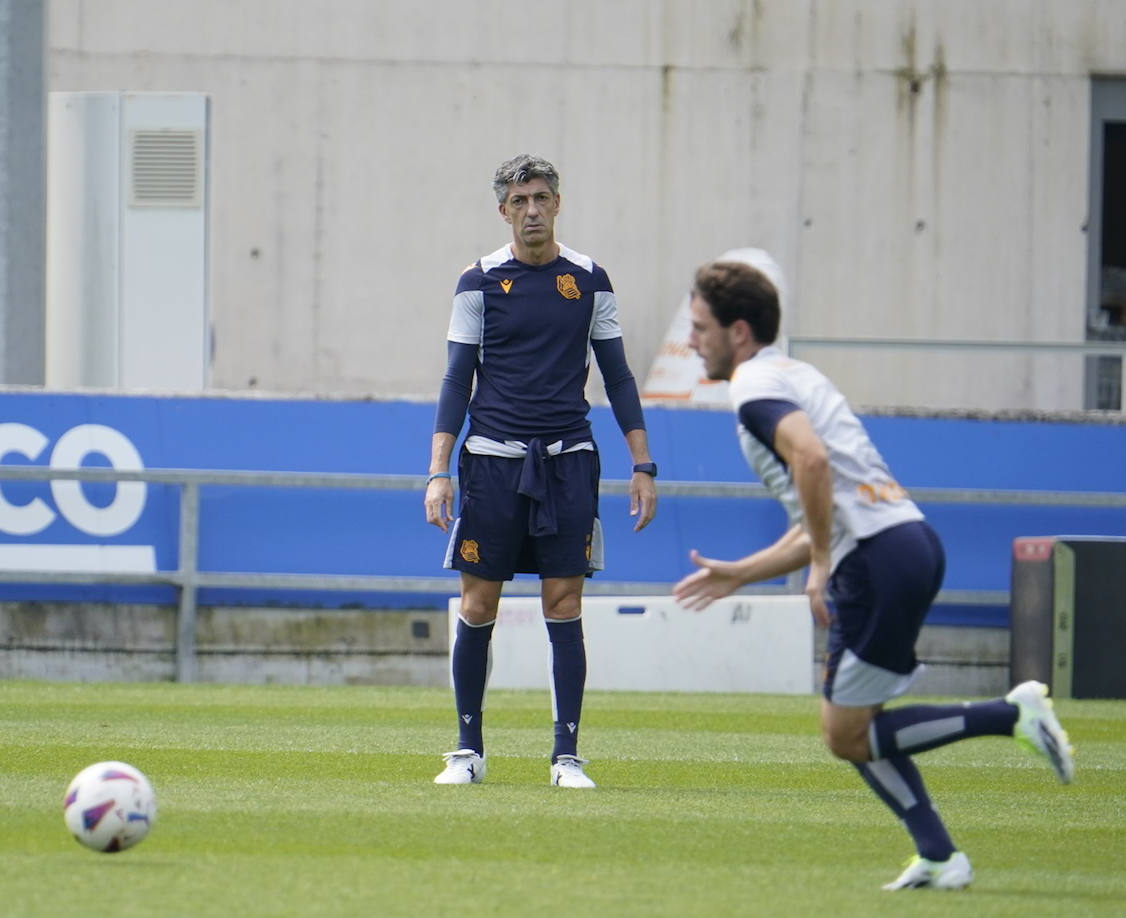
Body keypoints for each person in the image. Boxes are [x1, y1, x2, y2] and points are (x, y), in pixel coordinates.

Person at [673, 258, 1074, 890]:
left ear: (739, 331)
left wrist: (825, 566)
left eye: (699, 327)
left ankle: (1012, 716)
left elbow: (810, 463)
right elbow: (821, 514)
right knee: (857, 726)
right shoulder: (794, 373)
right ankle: (939, 855)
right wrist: (741, 574)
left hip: (876, 563)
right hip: (906, 544)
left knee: (845, 734)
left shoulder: (753, 387)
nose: (691, 341)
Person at [424, 153, 658, 789]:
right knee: (478, 602)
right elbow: (455, 378)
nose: (532, 210)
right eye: (520, 200)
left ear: (558, 204)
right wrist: (438, 470)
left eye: (542, 198)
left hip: (568, 464)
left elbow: (618, 376)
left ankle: (566, 757)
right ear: (503, 210)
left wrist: (643, 463)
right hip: (493, 465)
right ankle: (467, 750)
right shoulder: (477, 282)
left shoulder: (589, 280)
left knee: (564, 600)